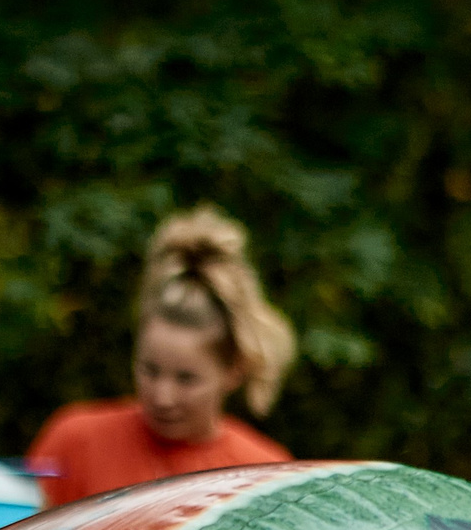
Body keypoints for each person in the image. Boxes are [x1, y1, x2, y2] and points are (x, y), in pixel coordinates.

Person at [27, 208, 296, 507]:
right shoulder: (74, 441)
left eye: (186, 379)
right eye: (150, 370)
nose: (162, 396)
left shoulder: (264, 474)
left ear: (234, 370)